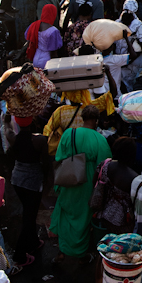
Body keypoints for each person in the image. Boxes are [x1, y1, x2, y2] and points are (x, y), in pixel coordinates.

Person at [51, 104, 112, 264]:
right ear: (96, 120)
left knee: (65, 215)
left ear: (82, 118)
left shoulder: (69, 134)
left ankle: (61, 252)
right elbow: (104, 167)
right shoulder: (100, 139)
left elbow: (58, 158)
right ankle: (81, 252)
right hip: (87, 184)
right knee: (83, 219)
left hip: (68, 180)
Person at [3, 118, 48, 270]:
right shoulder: (40, 140)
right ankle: (19, 255)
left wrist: (7, 117)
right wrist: (47, 182)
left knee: (29, 212)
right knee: (29, 216)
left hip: (17, 180)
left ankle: (34, 242)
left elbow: (6, 126)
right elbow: (46, 162)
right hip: (32, 182)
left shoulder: (12, 137)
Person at [24, 4, 62, 68]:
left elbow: (28, 39)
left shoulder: (34, 25)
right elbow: (53, 52)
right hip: (47, 60)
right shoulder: (53, 31)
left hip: (35, 57)